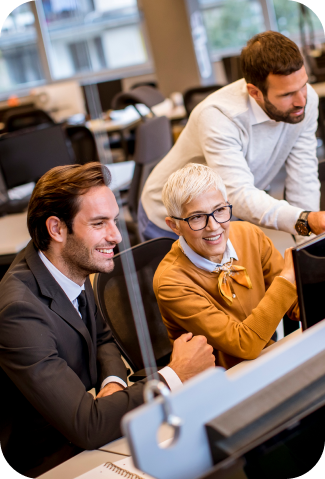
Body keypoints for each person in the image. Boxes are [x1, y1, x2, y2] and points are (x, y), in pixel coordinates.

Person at [0, 163, 215, 478]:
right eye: (99, 223)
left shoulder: (64, 262)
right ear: (57, 229)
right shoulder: (17, 312)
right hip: (51, 461)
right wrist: (174, 376)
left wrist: (112, 383)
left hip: (90, 432)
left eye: (113, 220)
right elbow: (88, 426)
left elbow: (102, 337)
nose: (115, 236)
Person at [140, 31, 325, 242]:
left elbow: (304, 176)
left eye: (303, 86)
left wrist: (310, 244)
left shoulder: (306, 101)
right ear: (255, 92)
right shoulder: (218, 115)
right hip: (174, 219)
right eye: (286, 94)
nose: (301, 100)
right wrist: (306, 221)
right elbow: (237, 194)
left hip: (221, 213)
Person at [153, 164, 299, 370]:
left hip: (267, 358)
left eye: (220, 210)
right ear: (174, 226)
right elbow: (243, 344)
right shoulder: (171, 282)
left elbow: (295, 303)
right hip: (224, 382)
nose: (213, 226)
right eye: (197, 217)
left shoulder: (249, 235)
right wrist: (287, 280)